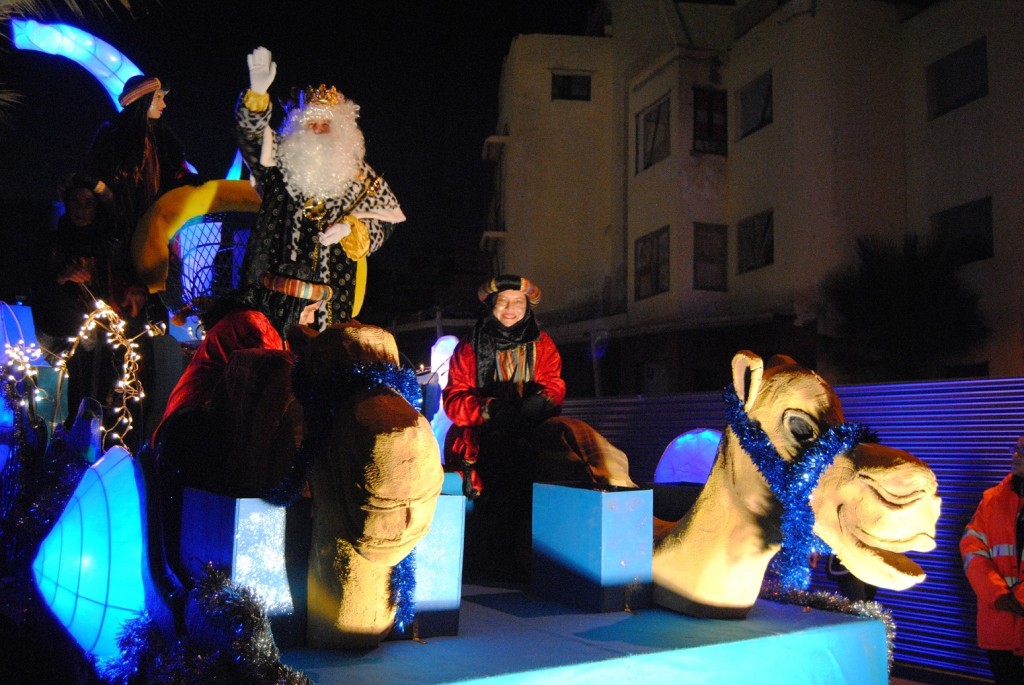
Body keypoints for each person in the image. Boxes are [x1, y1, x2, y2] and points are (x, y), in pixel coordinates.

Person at [442, 274, 634, 581]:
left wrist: (538, 404)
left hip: (530, 432)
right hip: (482, 437)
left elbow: (554, 384)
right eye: (503, 301)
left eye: (517, 302)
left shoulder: (542, 345)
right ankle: (485, 569)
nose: (510, 309)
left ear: (527, 306)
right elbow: (454, 399)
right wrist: (491, 410)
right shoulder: (469, 349)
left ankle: (533, 564)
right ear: (492, 305)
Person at [235, 46, 406, 333]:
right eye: (310, 123)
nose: (316, 130)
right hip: (277, 274)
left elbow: (384, 223)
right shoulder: (279, 159)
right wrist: (257, 97)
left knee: (327, 353)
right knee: (272, 342)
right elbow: (250, 137)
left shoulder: (360, 175)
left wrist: (351, 229)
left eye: (325, 124)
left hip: (335, 284)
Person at [85, 74, 197, 268]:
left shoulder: (163, 139)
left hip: (158, 228)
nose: (164, 105)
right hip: (118, 231)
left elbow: (176, 172)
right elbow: (98, 177)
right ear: (142, 100)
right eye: (158, 98)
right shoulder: (113, 136)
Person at [960, 436, 1024, 684]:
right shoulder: (992, 501)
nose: (1015, 455)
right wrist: (997, 594)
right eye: (1015, 449)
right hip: (1000, 620)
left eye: (1023, 451)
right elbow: (971, 549)